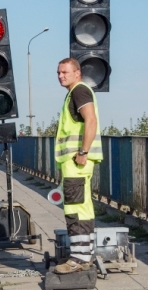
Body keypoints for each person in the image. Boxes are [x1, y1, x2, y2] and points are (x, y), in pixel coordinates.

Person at [54, 58, 103, 274]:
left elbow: (90, 120)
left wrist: (83, 152)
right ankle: (85, 255)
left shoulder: (79, 91)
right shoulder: (74, 93)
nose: (61, 76)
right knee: (82, 208)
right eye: (58, 72)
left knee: (75, 209)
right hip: (75, 162)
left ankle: (79, 260)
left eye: (65, 72)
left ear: (77, 73)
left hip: (77, 161)